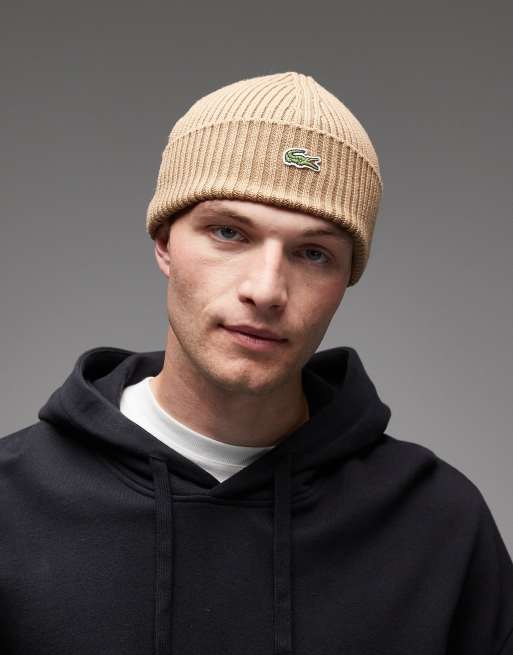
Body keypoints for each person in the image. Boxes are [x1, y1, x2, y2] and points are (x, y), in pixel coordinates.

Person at [1, 71, 512, 655]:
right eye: (228, 232)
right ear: (164, 242)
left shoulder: (437, 523)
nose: (266, 290)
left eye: (313, 254)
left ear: (347, 279)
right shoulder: (12, 503)